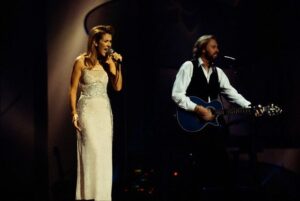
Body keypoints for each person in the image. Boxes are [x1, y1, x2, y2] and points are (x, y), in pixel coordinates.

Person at [171, 35, 262, 200]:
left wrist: (250, 107)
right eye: (214, 47)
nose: (217, 50)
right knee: (196, 169)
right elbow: (177, 95)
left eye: (217, 47)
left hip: (213, 128)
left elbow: (231, 93)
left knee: (223, 166)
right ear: (203, 48)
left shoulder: (218, 72)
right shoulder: (188, 66)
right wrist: (198, 109)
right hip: (193, 125)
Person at [69, 25, 122, 201]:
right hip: (88, 112)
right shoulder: (80, 61)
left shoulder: (109, 62)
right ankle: (88, 196)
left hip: (104, 113)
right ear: (95, 42)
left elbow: (118, 87)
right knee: (93, 152)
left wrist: (116, 66)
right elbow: (73, 89)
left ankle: (102, 197)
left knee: (104, 154)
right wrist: (74, 113)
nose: (108, 44)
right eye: (105, 41)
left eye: (110, 41)